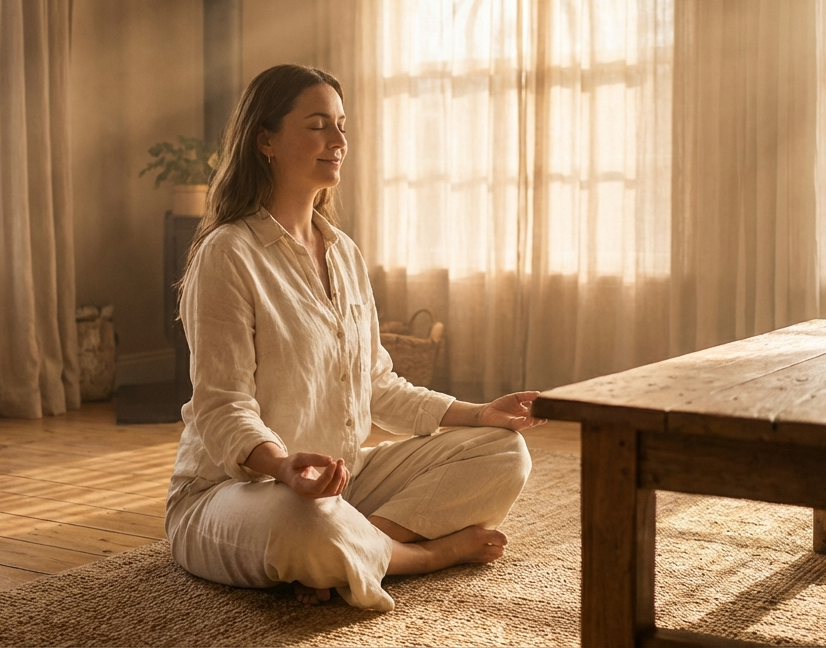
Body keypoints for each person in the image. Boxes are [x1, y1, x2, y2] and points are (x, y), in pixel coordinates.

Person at [166, 64, 545, 612]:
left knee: (506, 452)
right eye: (318, 125)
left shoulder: (341, 252)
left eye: (342, 125)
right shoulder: (228, 253)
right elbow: (221, 408)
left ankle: (357, 545)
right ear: (265, 139)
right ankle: (421, 556)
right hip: (232, 493)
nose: (339, 141)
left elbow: (377, 386)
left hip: (340, 486)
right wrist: (281, 468)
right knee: (303, 523)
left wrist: (482, 413)